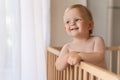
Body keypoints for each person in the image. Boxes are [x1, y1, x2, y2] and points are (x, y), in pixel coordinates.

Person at [55, 4, 106, 71]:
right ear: (65, 28)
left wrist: (80, 56)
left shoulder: (96, 40)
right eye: (68, 22)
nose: (72, 23)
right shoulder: (67, 47)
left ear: (90, 25)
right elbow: (58, 67)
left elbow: (99, 56)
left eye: (77, 19)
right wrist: (69, 55)